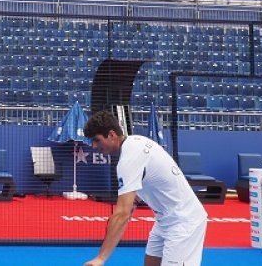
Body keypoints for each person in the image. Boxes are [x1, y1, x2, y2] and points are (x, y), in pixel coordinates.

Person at [83, 110, 207, 266]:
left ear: (112, 134)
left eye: (96, 140)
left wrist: (100, 258)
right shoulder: (135, 142)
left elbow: (121, 214)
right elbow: (149, 182)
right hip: (164, 221)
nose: (94, 146)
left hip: (184, 222)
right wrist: (134, 200)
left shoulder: (129, 159)